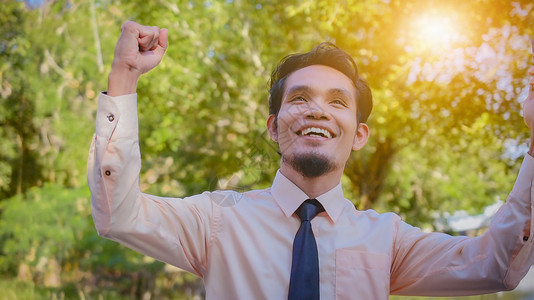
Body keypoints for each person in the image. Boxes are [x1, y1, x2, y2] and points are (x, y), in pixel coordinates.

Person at [88, 21, 534, 299]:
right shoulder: (216, 222)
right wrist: (124, 76)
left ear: (359, 134)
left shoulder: (389, 240)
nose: (317, 110)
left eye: (338, 102)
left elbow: (497, 266)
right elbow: (118, 215)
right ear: (272, 125)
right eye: (300, 99)